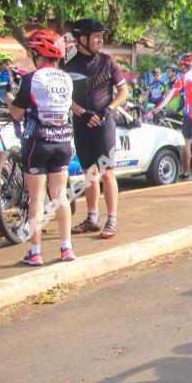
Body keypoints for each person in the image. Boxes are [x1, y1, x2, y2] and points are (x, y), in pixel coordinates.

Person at [9, 30, 76, 265]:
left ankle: (35, 251)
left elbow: (17, 113)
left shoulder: (32, 78)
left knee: (37, 198)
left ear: (38, 54)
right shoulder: (66, 79)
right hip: (63, 142)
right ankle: (66, 248)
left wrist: (10, 99)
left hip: (38, 143)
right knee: (60, 196)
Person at [61, 18, 128, 239]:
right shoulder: (67, 64)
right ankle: (92, 218)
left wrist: (109, 108)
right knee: (89, 173)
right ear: (82, 39)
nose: (101, 40)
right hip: (81, 123)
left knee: (107, 174)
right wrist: (82, 113)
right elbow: (64, 97)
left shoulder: (108, 62)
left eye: (102, 36)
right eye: (96, 36)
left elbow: (123, 92)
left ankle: (112, 220)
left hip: (104, 124)